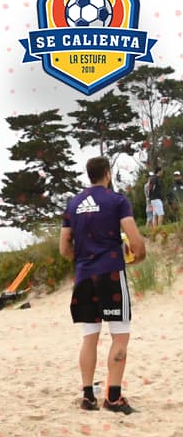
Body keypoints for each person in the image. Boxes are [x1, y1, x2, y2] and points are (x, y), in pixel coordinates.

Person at [60, 156, 145, 414]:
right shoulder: (117, 201)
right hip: (110, 274)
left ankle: (88, 397)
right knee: (120, 336)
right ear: (107, 173)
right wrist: (136, 256)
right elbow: (136, 243)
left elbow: (64, 248)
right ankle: (114, 398)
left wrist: (85, 258)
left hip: (84, 276)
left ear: (89, 175)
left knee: (89, 338)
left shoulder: (73, 204)